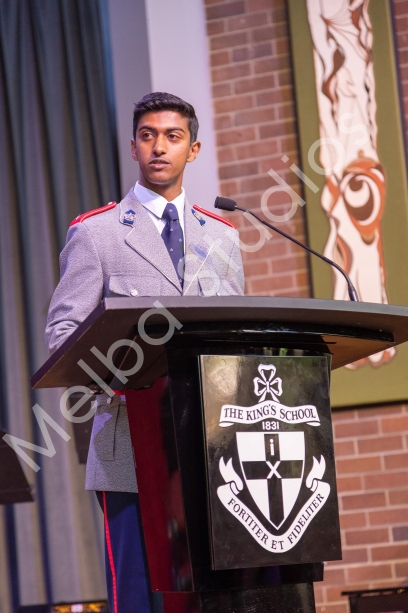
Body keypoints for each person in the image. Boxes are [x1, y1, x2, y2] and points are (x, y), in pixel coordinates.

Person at [45, 92, 244, 613]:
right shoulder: (97, 232)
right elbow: (62, 332)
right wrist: (120, 368)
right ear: (133, 147)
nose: (159, 147)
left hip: (212, 443)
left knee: (214, 591)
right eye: (148, 136)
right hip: (130, 439)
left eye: (173, 137)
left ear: (193, 149)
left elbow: (235, 337)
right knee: (139, 592)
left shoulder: (222, 237)